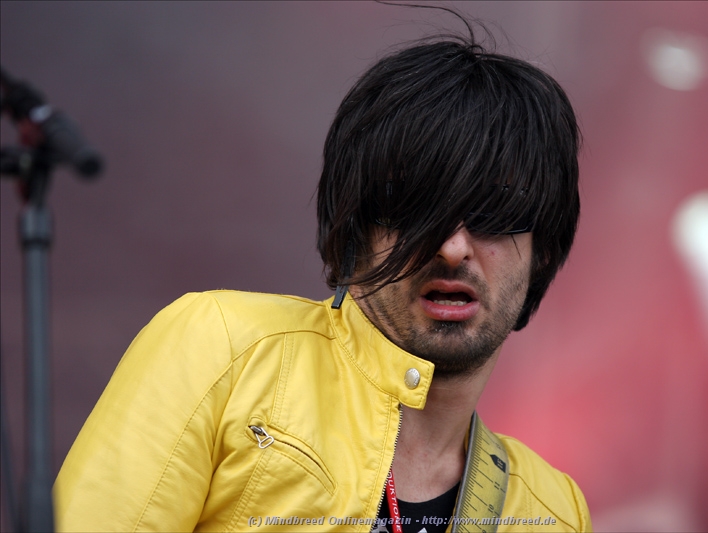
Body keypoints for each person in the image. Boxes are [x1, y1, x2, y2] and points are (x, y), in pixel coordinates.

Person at [54, 28, 590, 533]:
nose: (452, 247)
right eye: (414, 207)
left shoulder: (554, 510)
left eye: (498, 211)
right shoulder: (224, 351)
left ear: (543, 249)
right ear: (354, 227)